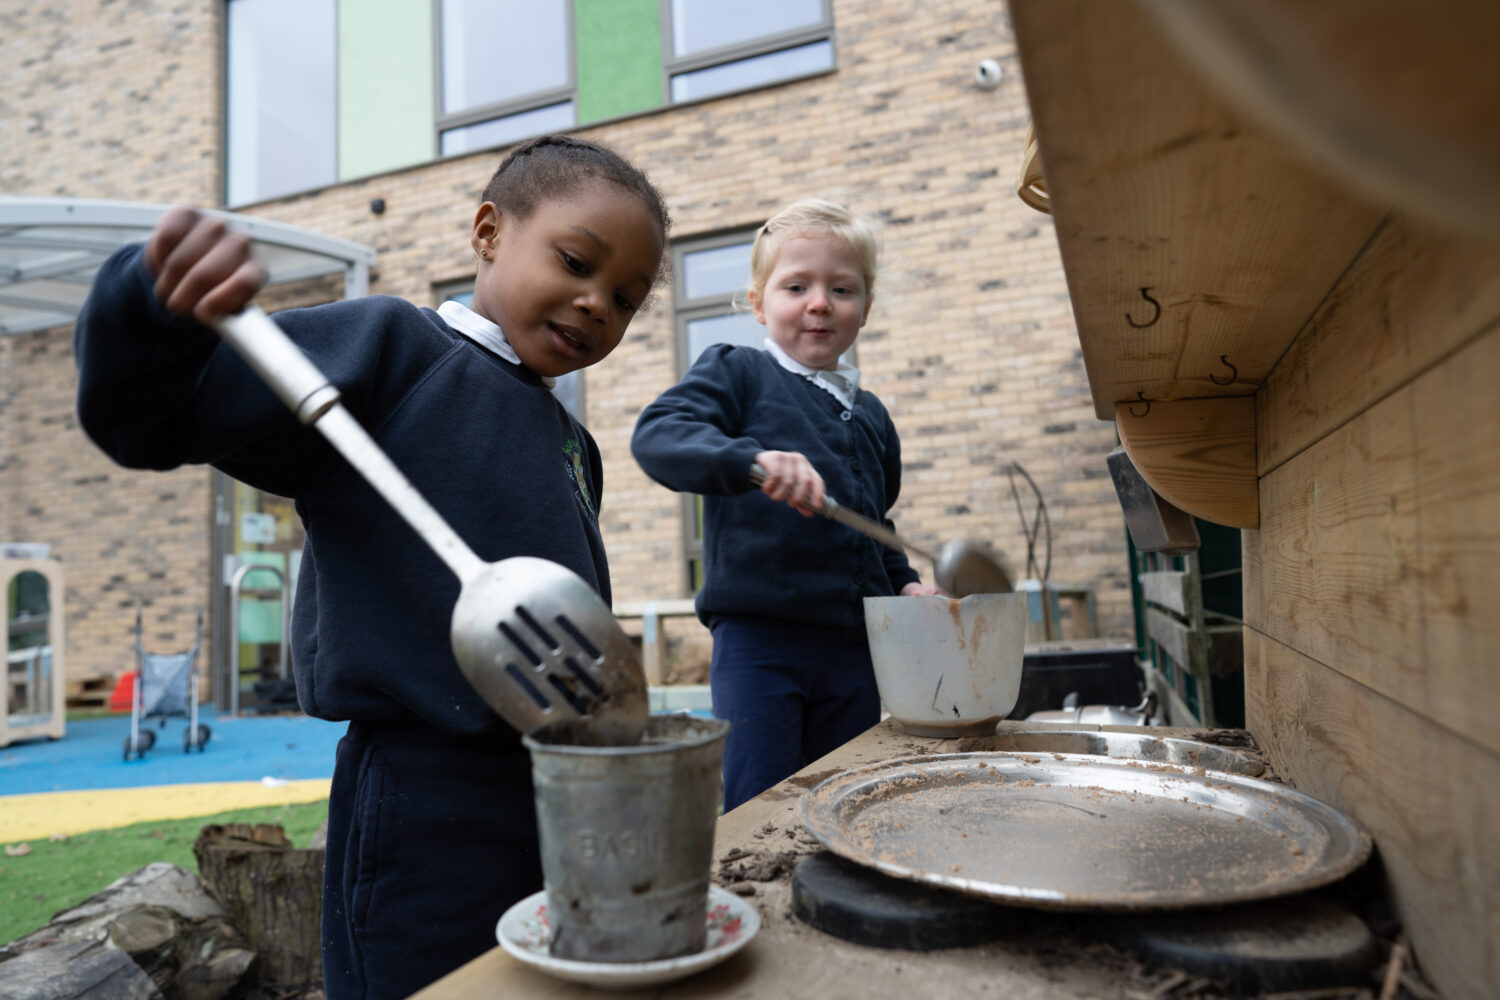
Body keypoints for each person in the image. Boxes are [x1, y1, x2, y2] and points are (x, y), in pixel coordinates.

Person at [73, 134, 671, 999]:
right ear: (490, 232)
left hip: (554, 792)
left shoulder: (573, 443)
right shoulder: (392, 349)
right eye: (576, 262)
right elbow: (154, 419)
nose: (594, 304)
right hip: (421, 798)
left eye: (626, 298)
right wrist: (148, 302)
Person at [630, 197, 941, 812]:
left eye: (841, 289)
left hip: (855, 650)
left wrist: (903, 584)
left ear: (865, 308)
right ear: (759, 303)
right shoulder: (739, 374)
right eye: (796, 285)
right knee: (761, 805)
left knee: (843, 799)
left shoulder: (873, 415)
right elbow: (658, 437)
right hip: (760, 644)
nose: (819, 302)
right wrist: (751, 459)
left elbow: (875, 526)